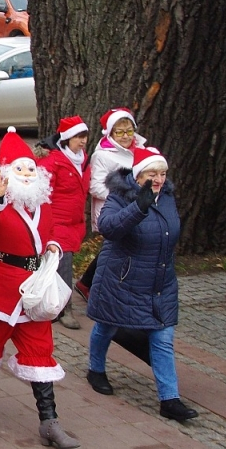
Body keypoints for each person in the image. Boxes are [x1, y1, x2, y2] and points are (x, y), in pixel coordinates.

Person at [0, 128, 80, 449]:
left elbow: (49, 232)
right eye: (20, 169)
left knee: (40, 351)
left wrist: (52, 245)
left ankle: (49, 422)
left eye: (30, 169)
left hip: (32, 292)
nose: (27, 174)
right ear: (7, 173)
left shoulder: (43, 202)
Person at [85, 147, 198, 422]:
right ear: (138, 175)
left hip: (159, 280)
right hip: (122, 279)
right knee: (107, 325)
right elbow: (108, 228)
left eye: (162, 173)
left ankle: (169, 400)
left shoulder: (167, 197)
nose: (158, 179)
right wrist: (139, 207)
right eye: (152, 173)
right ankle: (95, 369)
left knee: (162, 337)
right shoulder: (121, 196)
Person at [75, 108, 147, 298]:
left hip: (135, 207)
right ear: (110, 133)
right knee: (115, 248)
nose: (125, 136)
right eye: (119, 132)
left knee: (118, 248)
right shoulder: (103, 155)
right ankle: (91, 284)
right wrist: (124, 196)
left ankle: (90, 283)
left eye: (129, 131)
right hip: (112, 210)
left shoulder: (141, 149)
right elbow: (96, 186)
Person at [34, 116, 90, 329]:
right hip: (57, 221)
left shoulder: (82, 159)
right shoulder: (53, 162)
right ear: (67, 138)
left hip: (74, 221)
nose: (82, 141)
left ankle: (49, 301)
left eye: (84, 136)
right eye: (78, 137)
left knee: (57, 263)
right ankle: (65, 309)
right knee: (63, 262)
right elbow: (43, 193)